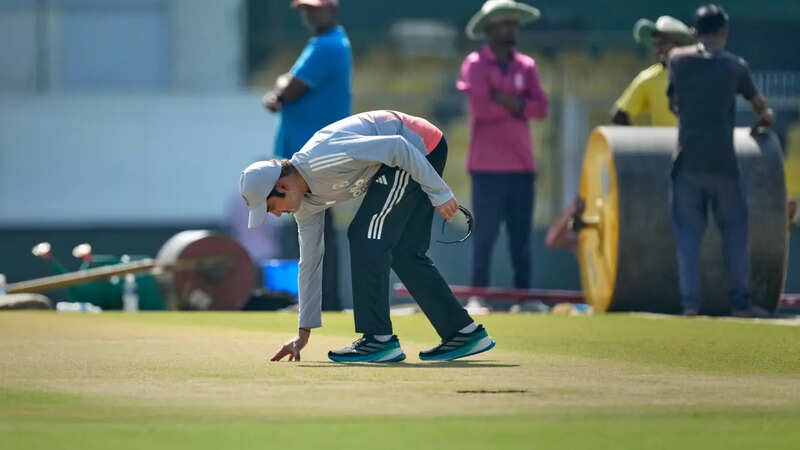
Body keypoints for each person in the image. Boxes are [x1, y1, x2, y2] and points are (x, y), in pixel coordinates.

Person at [240, 110, 496, 362]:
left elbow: (397, 146)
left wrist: (440, 193)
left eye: (271, 207)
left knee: (364, 236)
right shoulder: (306, 205)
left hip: (417, 145)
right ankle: (463, 332)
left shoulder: (321, 160)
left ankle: (378, 340)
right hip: (411, 152)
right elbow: (310, 262)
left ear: (282, 186)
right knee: (404, 253)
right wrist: (303, 333)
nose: (275, 215)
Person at [666, 4, 775, 317]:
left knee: (687, 239)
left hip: (686, 163)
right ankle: (740, 304)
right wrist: (766, 120)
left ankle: (690, 305)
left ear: (695, 32)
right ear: (723, 32)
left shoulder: (678, 60)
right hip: (723, 164)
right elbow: (761, 109)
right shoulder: (735, 66)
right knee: (735, 235)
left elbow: (673, 103)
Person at [262, 0, 352, 311]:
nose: (310, 15)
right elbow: (285, 83)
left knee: (315, 228)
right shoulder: (324, 43)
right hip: (311, 158)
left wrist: (280, 88)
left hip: (313, 158)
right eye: (306, 10)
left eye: (315, 8)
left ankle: (322, 301)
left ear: (332, 9)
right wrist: (281, 85)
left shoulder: (327, 45)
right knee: (315, 226)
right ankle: (323, 300)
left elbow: (289, 89)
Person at [458, 0, 549, 306]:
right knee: (484, 237)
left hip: (522, 166)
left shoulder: (527, 65)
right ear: (490, 28)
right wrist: (519, 105)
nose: (511, 29)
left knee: (520, 240)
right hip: (486, 167)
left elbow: (541, 108)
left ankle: (523, 298)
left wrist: (506, 99)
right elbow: (481, 109)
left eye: (513, 23)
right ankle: (478, 297)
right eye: (504, 24)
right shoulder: (475, 63)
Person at [611, 16, 694, 126]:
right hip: (666, 143)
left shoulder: (700, 72)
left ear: (680, 44)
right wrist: (640, 141)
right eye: (655, 44)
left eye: (662, 43)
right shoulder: (648, 78)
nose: (657, 49)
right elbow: (619, 116)